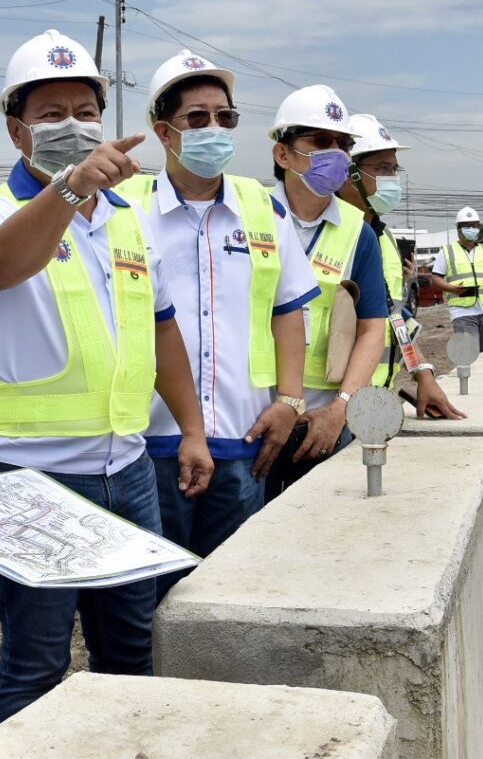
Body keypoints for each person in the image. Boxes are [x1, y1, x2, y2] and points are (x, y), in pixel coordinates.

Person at [0, 29, 213, 724]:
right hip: (27, 478)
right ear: (16, 130)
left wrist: (191, 429)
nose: (73, 127)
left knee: (132, 654)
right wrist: (67, 188)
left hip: (126, 469)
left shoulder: (130, 221)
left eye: (84, 111)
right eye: (50, 114)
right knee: (36, 665)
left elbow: (160, 328)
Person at [121, 50, 317, 595]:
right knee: (149, 603)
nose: (215, 128)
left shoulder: (262, 208)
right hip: (148, 439)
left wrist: (292, 401)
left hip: (244, 439)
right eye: (197, 118)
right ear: (164, 131)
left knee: (231, 597)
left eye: (225, 117)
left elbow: (287, 312)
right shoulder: (123, 209)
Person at [265, 86, 389, 500]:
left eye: (342, 144)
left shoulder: (358, 231)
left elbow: (373, 328)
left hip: (321, 421)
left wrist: (343, 407)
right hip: (250, 418)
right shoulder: (246, 216)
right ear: (283, 154)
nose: (335, 153)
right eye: (320, 142)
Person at [337, 116, 465, 421]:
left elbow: (394, 316)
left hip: (374, 400)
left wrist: (422, 372)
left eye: (395, 169)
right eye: (382, 169)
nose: (392, 179)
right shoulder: (329, 236)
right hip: (334, 405)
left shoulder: (385, 238)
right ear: (347, 173)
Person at [429, 206, 483, 351]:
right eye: (468, 226)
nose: (472, 229)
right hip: (462, 312)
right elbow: (435, 278)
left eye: (475, 226)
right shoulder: (447, 251)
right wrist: (453, 289)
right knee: (469, 351)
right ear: (459, 229)